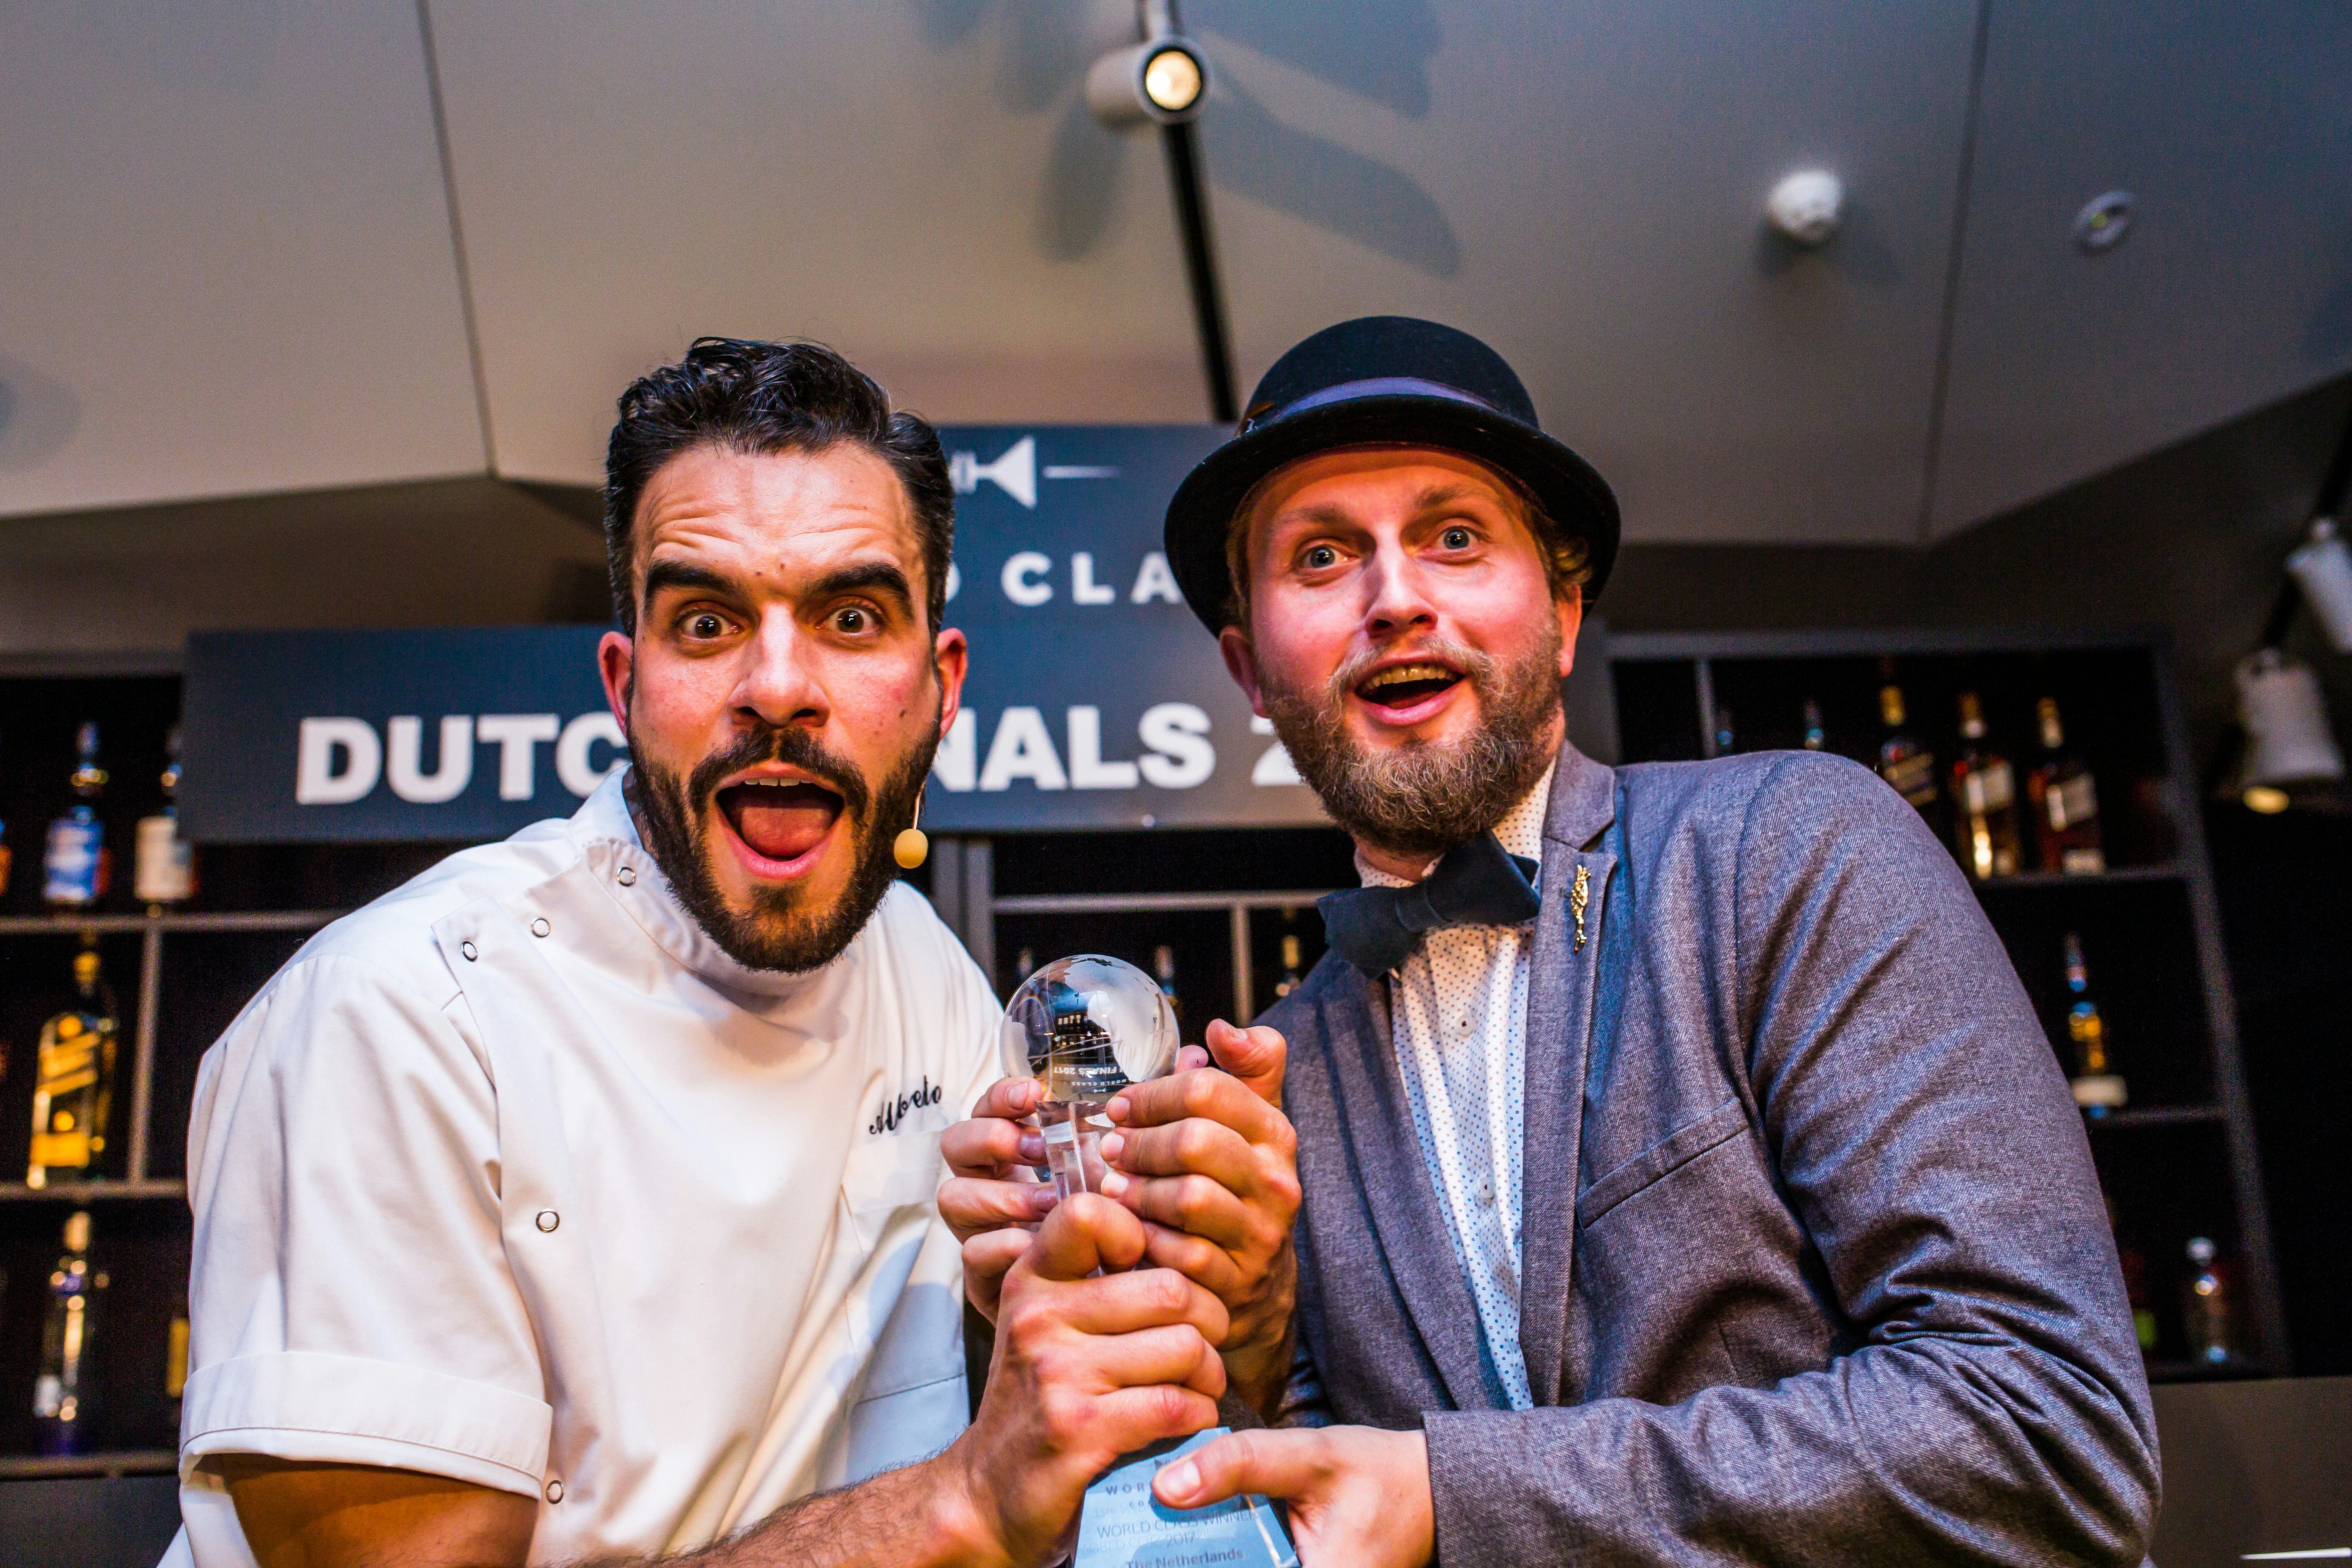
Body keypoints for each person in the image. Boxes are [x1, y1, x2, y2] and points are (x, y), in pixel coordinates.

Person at [165, 339, 1232, 1568]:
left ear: (941, 689)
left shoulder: (926, 973)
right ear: (626, 686)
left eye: (849, 615)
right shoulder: (395, 1019)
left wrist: (1097, 1296)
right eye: (709, 620)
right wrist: (969, 1501)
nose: (779, 687)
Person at [1132, 316, 2160, 1564]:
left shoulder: (1790, 849)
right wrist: (1239, 1347)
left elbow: (2047, 1430)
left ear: (1563, 613)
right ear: (1250, 668)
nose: (1395, 597)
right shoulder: (1282, 1070)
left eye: (1455, 537)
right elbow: (1318, 1498)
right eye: (1321, 556)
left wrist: (1460, 1499)